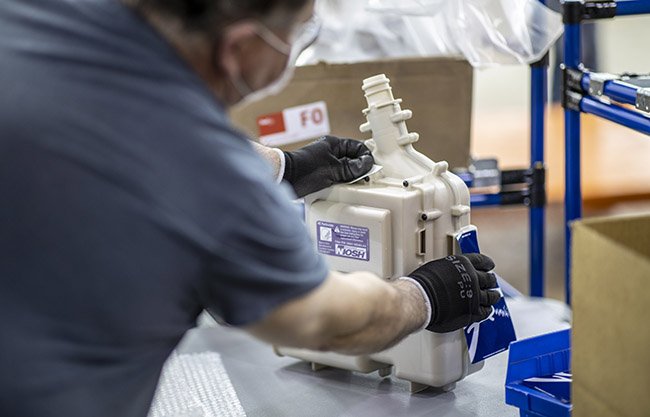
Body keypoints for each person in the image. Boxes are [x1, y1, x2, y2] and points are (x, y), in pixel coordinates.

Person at [0, 0, 500, 416]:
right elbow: (329, 320)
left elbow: (130, 121)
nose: (300, 46)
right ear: (238, 47)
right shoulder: (214, 184)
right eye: (299, 35)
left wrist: (285, 166)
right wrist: (424, 295)